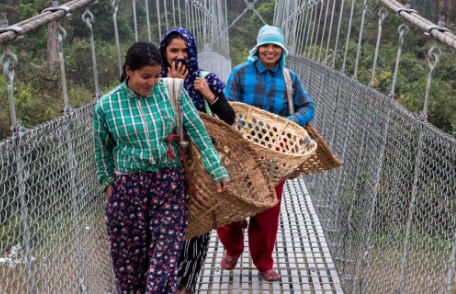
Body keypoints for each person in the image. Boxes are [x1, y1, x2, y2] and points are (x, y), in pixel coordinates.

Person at [93, 42, 230, 293]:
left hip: (168, 183)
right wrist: (108, 187)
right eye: (146, 76)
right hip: (128, 190)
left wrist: (217, 169)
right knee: (129, 268)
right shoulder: (107, 105)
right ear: (128, 71)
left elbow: (197, 132)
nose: (152, 82)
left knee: (163, 263)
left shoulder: (173, 91)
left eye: (157, 76)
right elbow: (102, 151)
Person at [217, 25, 315, 282]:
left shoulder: (289, 78)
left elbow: (308, 106)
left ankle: (263, 262)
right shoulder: (240, 73)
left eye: (275, 46)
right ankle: (233, 248)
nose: (270, 51)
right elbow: (228, 108)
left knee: (267, 209)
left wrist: (290, 121)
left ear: (281, 50)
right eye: (265, 46)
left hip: (276, 153)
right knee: (232, 201)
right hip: (241, 149)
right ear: (257, 48)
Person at [159, 27, 235, 294]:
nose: (179, 56)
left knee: (199, 222)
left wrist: (210, 96)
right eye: (173, 51)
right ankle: (164, 279)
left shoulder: (205, 79)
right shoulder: (151, 79)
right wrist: (171, 85)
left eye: (184, 51)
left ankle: (186, 284)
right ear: (164, 53)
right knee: (167, 224)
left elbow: (229, 118)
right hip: (164, 162)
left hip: (201, 163)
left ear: (192, 51)